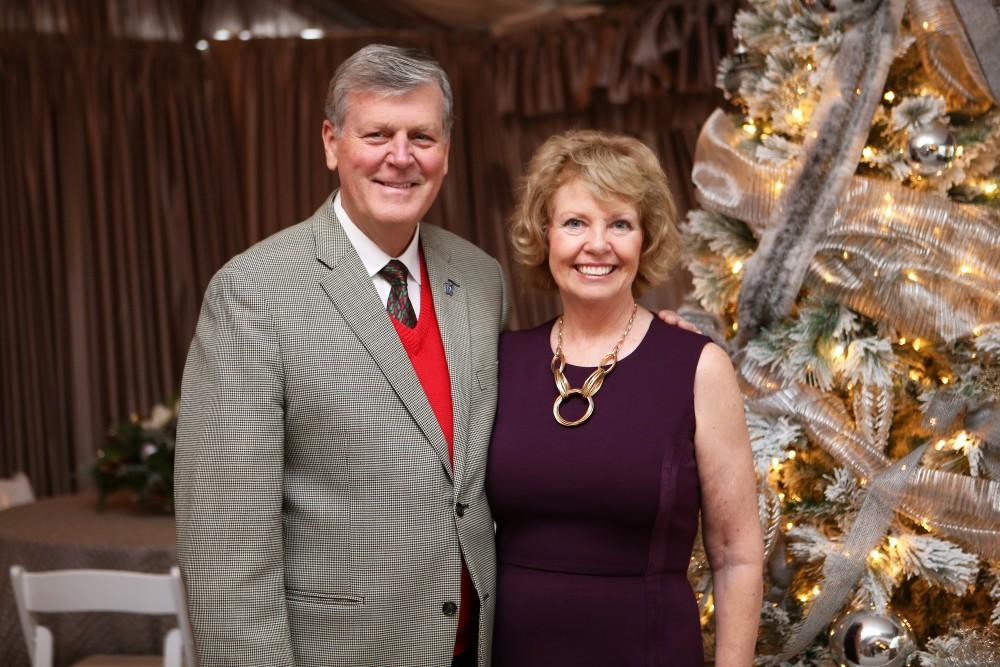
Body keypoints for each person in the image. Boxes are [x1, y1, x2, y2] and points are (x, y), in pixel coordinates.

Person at [174, 45, 506, 666]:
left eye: (422, 136)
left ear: (447, 149)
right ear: (332, 142)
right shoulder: (254, 291)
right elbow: (226, 548)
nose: (400, 158)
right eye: (377, 133)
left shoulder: (480, 278)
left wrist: (642, 332)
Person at [487, 130, 764, 666]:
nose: (597, 245)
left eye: (620, 224)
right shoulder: (500, 360)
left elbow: (736, 556)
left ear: (646, 239)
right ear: (544, 236)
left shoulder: (696, 367)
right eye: (574, 223)